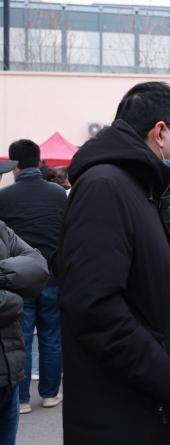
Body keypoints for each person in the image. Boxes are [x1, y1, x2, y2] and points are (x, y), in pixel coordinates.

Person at [54, 81, 170, 444]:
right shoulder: (105, 187)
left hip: (151, 408)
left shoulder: (140, 188)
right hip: (134, 413)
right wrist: (167, 378)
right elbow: (93, 306)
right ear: (161, 132)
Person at [0, 139, 67, 414]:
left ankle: (22, 399)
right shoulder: (59, 194)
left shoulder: (4, 197)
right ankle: (50, 394)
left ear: (14, 166)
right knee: (52, 336)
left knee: (22, 337)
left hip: (18, 279)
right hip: (53, 276)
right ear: (39, 162)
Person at [0, 160, 50, 445]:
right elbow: (10, 303)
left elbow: (37, 265)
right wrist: (14, 290)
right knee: (50, 336)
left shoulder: (1, 229)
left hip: (9, 374)